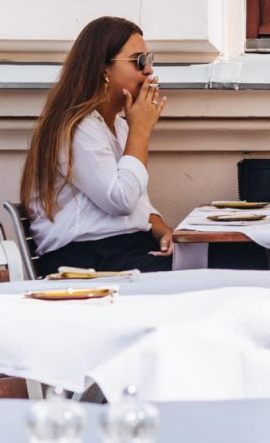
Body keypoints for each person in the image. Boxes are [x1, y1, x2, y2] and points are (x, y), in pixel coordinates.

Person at [20, 16, 173, 277]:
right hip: (85, 259)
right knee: (210, 270)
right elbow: (120, 200)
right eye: (139, 61)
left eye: (149, 60)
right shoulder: (77, 127)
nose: (148, 71)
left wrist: (162, 229)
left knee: (226, 258)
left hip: (123, 252)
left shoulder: (120, 126)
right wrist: (141, 130)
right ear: (104, 70)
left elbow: (138, 202)